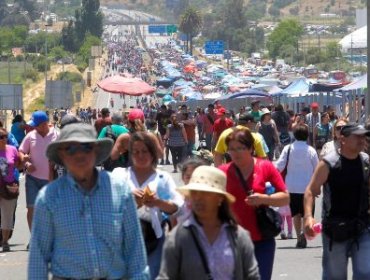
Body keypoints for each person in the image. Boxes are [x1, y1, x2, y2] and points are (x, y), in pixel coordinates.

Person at [29, 123, 149, 279]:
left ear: (96, 150)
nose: (80, 154)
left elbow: (136, 253)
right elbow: (38, 260)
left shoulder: (120, 191)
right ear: (62, 154)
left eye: (86, 147)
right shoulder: (49, 198)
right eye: (71, 148)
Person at [157, 166, 260, 280]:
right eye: (194, 193)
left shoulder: (239, 237)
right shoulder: (177, 238)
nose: (198, 198)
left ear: (220, 198)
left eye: (206, 193)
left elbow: (252, 276)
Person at [219, 128, 289, 280]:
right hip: (231, 240)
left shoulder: (265, 166)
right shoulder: (222, 172)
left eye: (241, 148)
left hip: (261, 239)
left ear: (251, 148)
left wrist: (264, 199)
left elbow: (285, 197)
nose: (236, 153)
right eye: (231, 149)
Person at [112, 131, 184, 280]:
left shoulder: (163, 178)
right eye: (136, 152)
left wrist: (158, 203)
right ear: (130, 154)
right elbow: (107, 204)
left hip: (154, 242)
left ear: (152, 153)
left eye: (144, 151)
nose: (140, 155)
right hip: (122, 242)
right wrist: (130, 201)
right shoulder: (119, 175)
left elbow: (179, 206)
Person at [304, 123, 370, 279]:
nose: (362, 140)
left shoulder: (366, 161)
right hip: (335, 229)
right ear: (343, 139)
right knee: (335, 276)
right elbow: (310, 191)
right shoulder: (328, 163)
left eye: (363, 136)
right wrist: (308, 217)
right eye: (357, 136)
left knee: (365, 274)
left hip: (363, 227)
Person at [18, 111, 58, 247]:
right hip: (33, 179)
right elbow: (21, 151)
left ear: (45, 124)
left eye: (36, 125)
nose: (34, 127)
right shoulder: (30, 136)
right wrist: (26, 162)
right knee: (31, 209)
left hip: (51, 180)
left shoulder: (56, 135)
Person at [275, 125, 318, 248]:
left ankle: (299, 235)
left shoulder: (288, 149)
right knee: (306, 213)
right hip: (308, 188)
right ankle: (304, 235)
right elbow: (317, 168)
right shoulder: (311, 150)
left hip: (292, 186)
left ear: (294, 135)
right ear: (307, 136)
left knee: (295, 214)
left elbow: (279, 166)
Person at [0, 128, 21, 252]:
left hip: (9, 186)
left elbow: (19, 164)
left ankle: (5, 241)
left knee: (7, 216)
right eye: (1, 137)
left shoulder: (12, 150)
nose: (4, 139)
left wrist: (26, 162)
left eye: (5, 136)